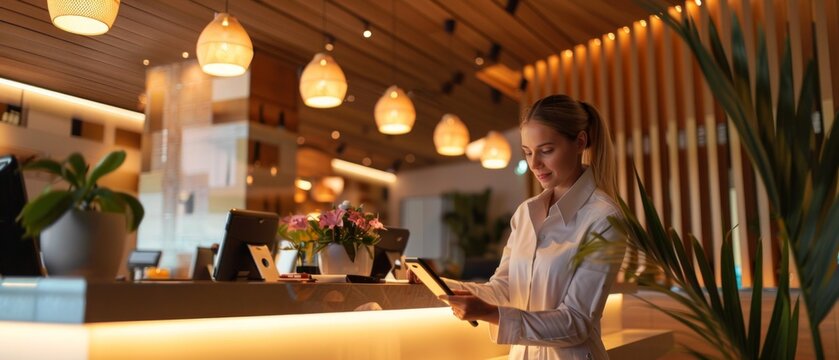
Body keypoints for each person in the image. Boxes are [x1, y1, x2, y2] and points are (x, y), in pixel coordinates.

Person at [440, 94, 624, 360]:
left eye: (546, 150)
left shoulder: (604, 218)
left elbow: (576, 323)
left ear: (580, 142)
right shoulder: (525, 214)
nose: (534, 164)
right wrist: (441, 285)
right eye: (528, 152)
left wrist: (491, 314)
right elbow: (503, 289)